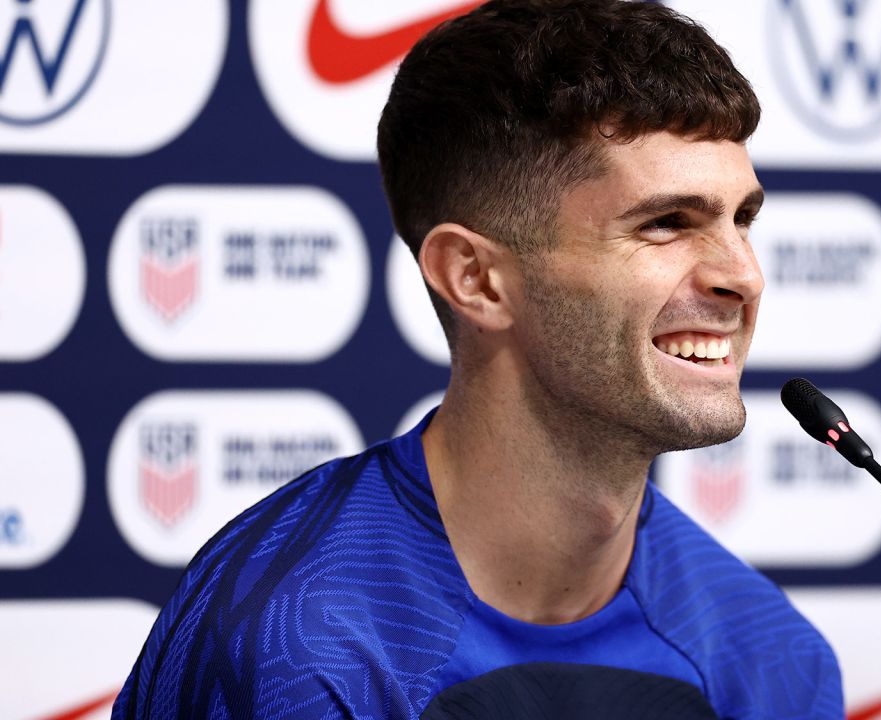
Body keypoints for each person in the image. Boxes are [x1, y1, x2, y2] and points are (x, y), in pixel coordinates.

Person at [113, 1, 843, 717]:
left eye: (741, 218)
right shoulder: (292, 645)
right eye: (666, 224)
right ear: (476, 278)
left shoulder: (772, 657)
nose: (743, 276)